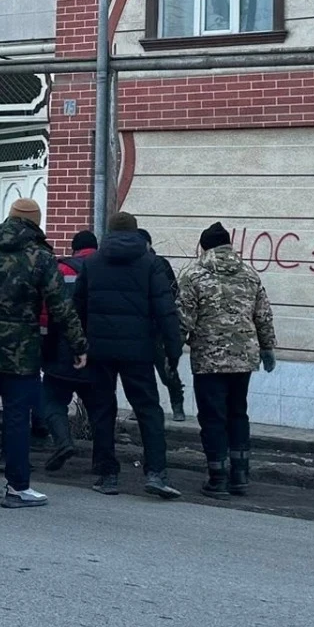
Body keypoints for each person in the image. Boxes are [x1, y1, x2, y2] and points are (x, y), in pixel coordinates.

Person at [0, 198, 86, 507]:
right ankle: (18, 486)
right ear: (36, 222)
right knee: (16, 416)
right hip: (21, 350)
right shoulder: (40, 256)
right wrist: (78, 344)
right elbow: (61, 306)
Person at [76, 210, 184, 500]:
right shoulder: (150, 263)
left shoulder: (92, 263)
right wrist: (173, 349)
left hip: (99, 350)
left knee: (102, 410)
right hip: (139, 350)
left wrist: (79, 344)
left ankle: (107, 474)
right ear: (136, 232)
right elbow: (165, 309)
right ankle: (156, 472)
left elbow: (78, 306)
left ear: (109, 232)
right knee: (148, 410)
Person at [177, 221, 277, 497]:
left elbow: (184, 318)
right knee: (237, 413)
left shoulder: (193, 275)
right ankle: (240, 474)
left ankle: (218, 477)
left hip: (209, 359)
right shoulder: (249, 274)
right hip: (244, 358)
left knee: (212, 417)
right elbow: (263, 315)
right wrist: (267, 348)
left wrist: (171, 349)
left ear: (204, 247)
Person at [38, 229, 100, 471]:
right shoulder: (103, 269)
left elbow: (46, 310)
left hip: (60, 349)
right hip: (95, 349)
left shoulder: (62, 269)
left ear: (74, 249)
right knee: (98, 406)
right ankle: (102, 458)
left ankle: (63, 442)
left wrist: (44, 342)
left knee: (53, 400)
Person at [138, 227, 188, 423]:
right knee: (141, 373)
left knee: (167, 370)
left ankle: (177, 404)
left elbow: (173, 293)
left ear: (148, 244)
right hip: (140, 327)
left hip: (159, 327)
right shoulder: (135, 264)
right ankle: (142, 406)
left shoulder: (160, 264)